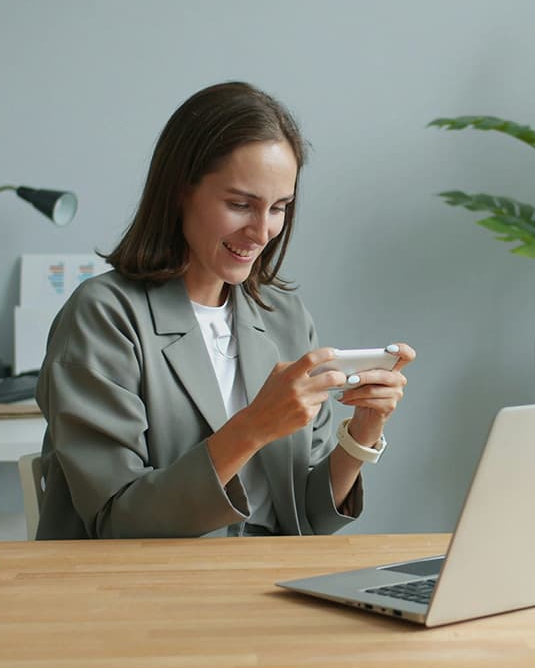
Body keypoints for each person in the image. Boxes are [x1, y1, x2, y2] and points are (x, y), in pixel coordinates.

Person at [34, 82, 414, 539]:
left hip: (267, 587)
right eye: (240, 205)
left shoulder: (285, 317)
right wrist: (253, 427)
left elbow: (304, 519)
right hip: (144, 594)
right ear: (180, 191)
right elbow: (119, 521)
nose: (262, 231)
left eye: (279, 207)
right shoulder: (104, 316)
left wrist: (362, 436)